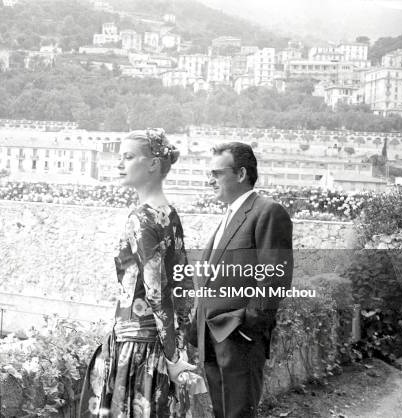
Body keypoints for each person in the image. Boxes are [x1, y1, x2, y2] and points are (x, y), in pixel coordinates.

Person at [78, 129, 198, 417]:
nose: (120, 164)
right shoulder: (170, 213)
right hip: (161, 343)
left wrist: (170, 358)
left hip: (139, 346)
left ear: (153, 164)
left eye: (129, 157)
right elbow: (184, 289)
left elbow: (156, 293)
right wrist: (178, 347)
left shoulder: (141, 218)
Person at [191, 142, 294, 418]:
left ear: (241, 174)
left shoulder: (268, 211)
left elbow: (274, 277)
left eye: (216, 173)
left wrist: (248, 326)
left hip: (240, 340)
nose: (210, 180)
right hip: (212, 338)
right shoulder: (227, 216)